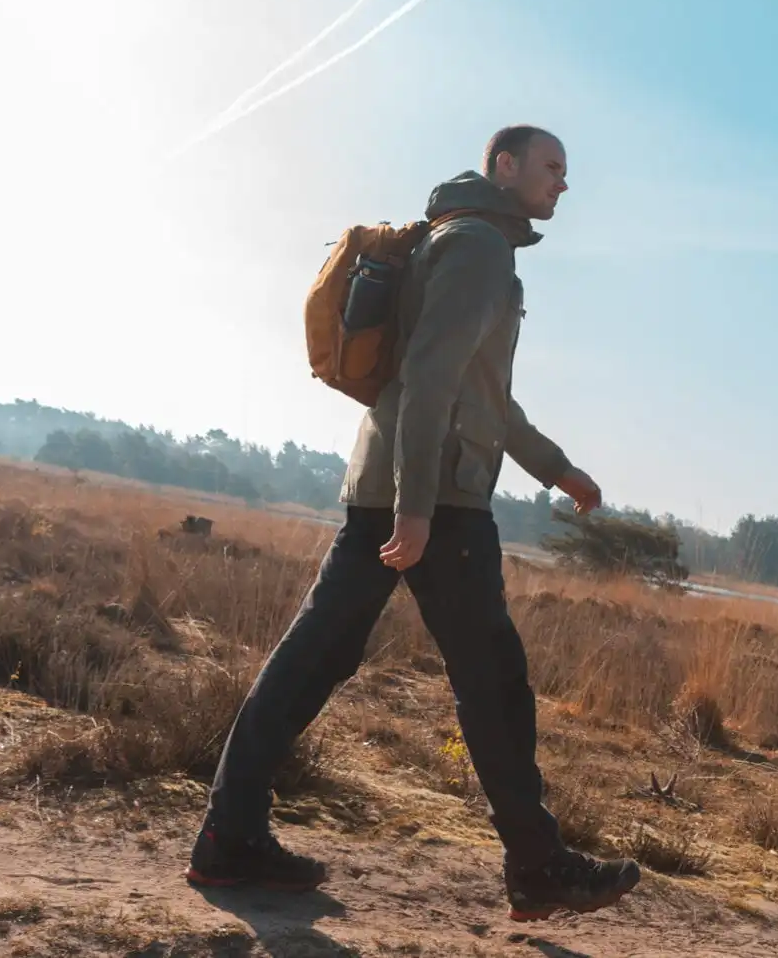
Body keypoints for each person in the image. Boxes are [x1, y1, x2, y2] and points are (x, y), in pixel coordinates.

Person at [186, 125, 643, 923]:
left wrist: (554, 468)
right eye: (552, 169)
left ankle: (230, 836)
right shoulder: (478, 249)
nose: (563, 185)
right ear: (506, 166)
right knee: (494, 684)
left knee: (311, 661)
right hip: (441, 501)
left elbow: (479, 393)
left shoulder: (453, 238)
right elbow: (432, 376)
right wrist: (420, 509)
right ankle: (538, 868)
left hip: (390, 485)